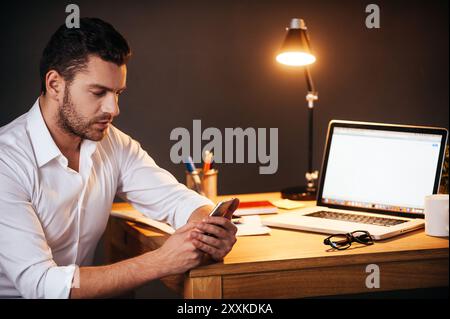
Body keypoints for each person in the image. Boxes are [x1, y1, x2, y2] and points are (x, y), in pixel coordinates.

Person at [0, 17, 237, 299]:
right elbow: (41, 285)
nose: (113, 109)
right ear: (54, 85)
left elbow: (175, 199)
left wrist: (209, 228)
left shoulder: (113, 143)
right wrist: (162, 261)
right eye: (99, 92)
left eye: (117, 93)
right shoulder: (7, 161)